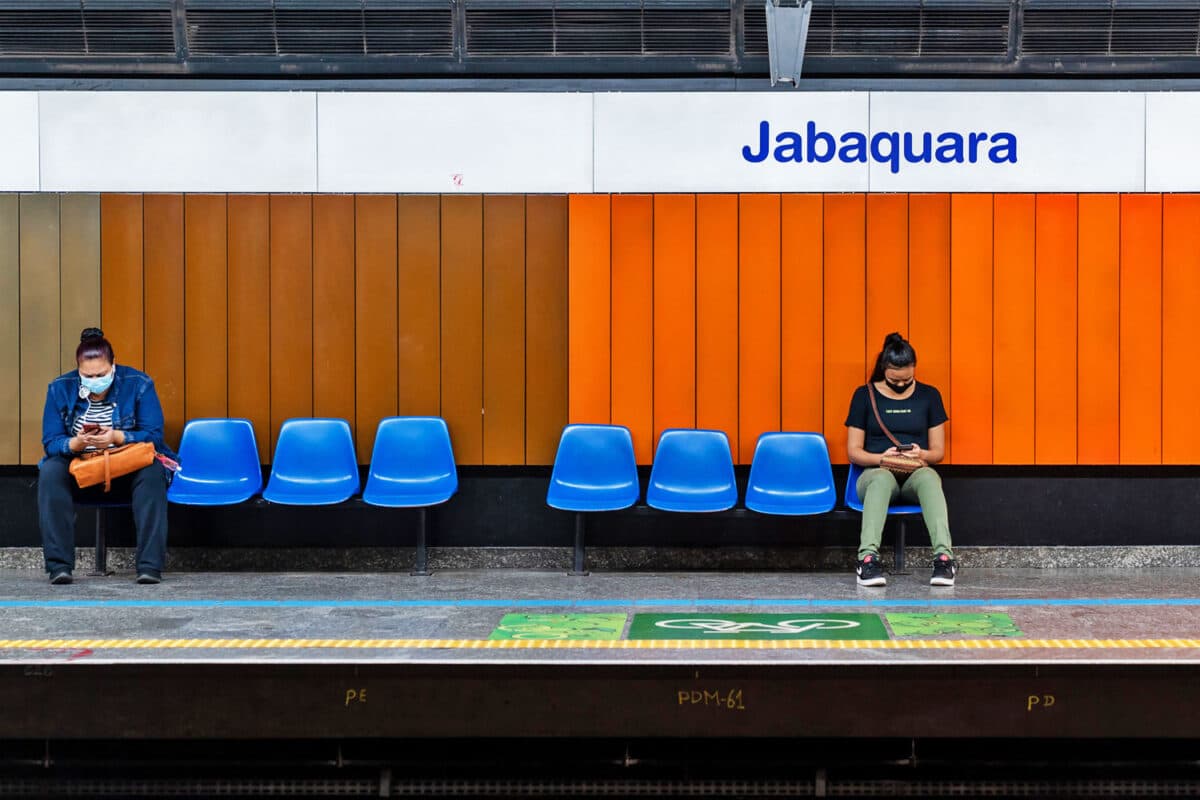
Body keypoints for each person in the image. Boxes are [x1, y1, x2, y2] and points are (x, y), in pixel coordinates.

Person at [38, 328, 174, 585]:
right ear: (78, 370)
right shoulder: (59, 389)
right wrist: (75, 443)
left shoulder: (138, 384)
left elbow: (154, 436)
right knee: (50, 471)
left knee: (153, 471)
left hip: (126, 469)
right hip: (82, 470)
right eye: (87, 376)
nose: (95, 380)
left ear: (114, 365)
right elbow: (51, 443)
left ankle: (149, 566)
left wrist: (117, 437)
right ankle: (59, 566)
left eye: (101, 374)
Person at [845, 332, 956, 587]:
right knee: (882, 479)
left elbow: (938, 452)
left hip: (913, 473)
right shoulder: (864, 395)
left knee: (929, 477)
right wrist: (881, 458)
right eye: (895, 380)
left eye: (907, 379)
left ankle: (944, 559)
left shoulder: (929, 395)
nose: (902, 384)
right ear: (885, 369)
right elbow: (854, 451)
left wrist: (922, 454)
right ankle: (867, 560)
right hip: (875, 473)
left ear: (914, 369)